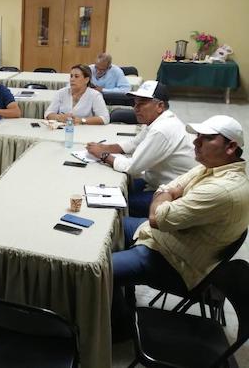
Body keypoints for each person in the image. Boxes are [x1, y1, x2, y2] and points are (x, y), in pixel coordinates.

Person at [111, 115, 249, 339]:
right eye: (198, 136)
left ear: (231, 147)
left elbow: (158, 218)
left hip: (173, 262)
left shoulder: (223, 189)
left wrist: (165, 195)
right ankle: (122, 299)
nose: (196, 142)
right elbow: (172, 187)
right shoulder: (213, 167)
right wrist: (167, 193)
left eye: (206, 138)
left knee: (100, 271)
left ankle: (119, 326)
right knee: (110, 228)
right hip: (163, 239)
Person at [86, 81, 196, 217]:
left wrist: (103, 154)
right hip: (156, 182)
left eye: (142, 103)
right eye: (135, 103)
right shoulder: (159, 120)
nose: (136, 108)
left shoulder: (162, 129)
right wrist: (104, 147)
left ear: (160, 106)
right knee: (113, 186)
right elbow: (133, 143)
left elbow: (132, 167)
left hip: (171, 194)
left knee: (112, 203)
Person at [44, 64, 109, 125]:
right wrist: (59, 117)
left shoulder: (95, 95)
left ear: (86, 80)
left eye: (76, 76)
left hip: (86, 131)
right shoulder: (61, 93)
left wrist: (82, 120)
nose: (72, 79)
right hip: (64, 130)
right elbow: (48, 114)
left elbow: (105, 118)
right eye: (71, 76)